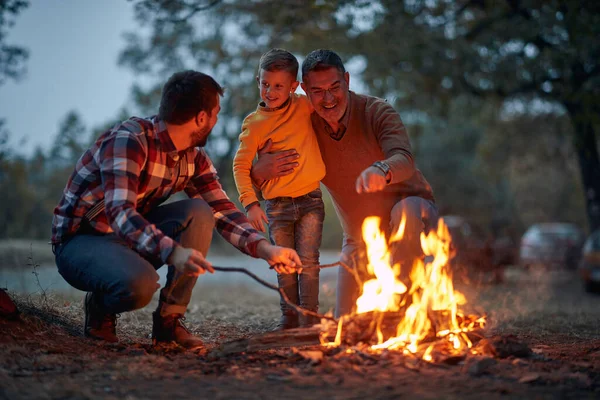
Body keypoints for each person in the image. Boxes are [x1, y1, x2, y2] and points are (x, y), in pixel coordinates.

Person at [51, 70, 301, 348]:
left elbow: (221, 209)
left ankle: (169, 322)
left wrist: (266, 250)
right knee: (140, 285)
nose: (216, 121)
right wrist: (173, 251)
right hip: (80, 241)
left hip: (127, 239)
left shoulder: (193, 157)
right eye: (216, 113)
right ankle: (100, 307)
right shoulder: (129, 141)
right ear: (201, 118)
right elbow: (120, 213)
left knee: (199, 211)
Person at [251, 50, 437, 318]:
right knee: (346, 324)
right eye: (317, 91)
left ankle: (405, 316)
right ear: (304, 90)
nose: (328, 99)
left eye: (334, 87)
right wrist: (259, 173)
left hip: (416, 215)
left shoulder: (376, 111)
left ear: (347, 81)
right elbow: (272, 180)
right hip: (359, 239)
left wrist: (381, 168)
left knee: (405, 212)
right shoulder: (302, 124)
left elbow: (404, 160)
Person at [233, 49, 326, 329]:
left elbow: (329, 100)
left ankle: (309, 319)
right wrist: (250, 203)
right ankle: (289, 317)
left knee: (308, 261)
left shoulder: (303, 105)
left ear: (293, 86)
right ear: (257, 80)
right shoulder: (255, 124)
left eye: (278, 86)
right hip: (278, 206)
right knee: (284, 263)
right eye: (265, 84)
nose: (270, 91)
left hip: (311, 199)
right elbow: (240, 166)